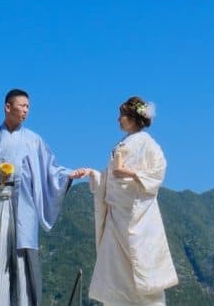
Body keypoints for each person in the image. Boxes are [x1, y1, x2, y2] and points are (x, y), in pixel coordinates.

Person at [0, 88, 80, 306]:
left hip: (23, 207)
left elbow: (49, 169)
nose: (26, 111)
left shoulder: (34, 141)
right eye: (22, 106)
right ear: (8, 107)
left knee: (22, 255)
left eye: (28, 107)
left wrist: (67, 175)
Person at [72, 96, 178, 306]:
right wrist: (95, 175)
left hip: (138, 215)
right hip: (116, 217)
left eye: (122, 115)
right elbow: (111, 178)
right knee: (117, 274)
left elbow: (157, 172)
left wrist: (128, 172)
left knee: (142, 269)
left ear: (133, 118)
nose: (119, 120)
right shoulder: (120, 144)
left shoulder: (148, 144)